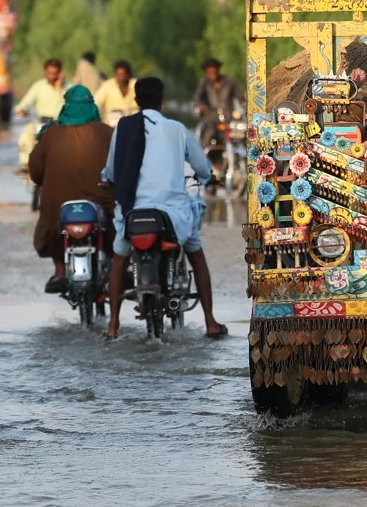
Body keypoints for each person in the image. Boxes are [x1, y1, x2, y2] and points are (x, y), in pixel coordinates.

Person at [101, 77, 226, 340]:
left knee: (119, 260)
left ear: (135, 101)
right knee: (196, 253)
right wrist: (208, 177)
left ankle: (112, 326)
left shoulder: (122, 128)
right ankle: (211, 322)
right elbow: (202, 168)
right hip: (172, 216)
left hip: (132, 215)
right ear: (162, 100)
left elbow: (112, 170)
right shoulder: (176, 129)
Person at [28, 85, 116, 293]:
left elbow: (35, 172)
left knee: (51, 219)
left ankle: (60, 270)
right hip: (100, 204)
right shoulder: (107, 132)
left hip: (61, 207)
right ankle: (114, 268)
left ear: (66, 106)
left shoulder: (50, 134)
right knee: (115, 221)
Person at [193, 57, 246, 145]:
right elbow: (197, 98)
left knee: (242, 134)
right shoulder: (204, 83)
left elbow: (240, 98)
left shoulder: (229, 81)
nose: (212, 75)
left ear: (218, 70)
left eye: (214, 71)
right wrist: (200, 106)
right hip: (211, 119)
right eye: (209, 72)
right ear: (206, 72)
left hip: (229, 118)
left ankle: (244, 156)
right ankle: (202, 156)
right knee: (208, 133)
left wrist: (248, 110)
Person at [94, 60, 139, 127]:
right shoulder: (107, 85)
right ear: (115, 74)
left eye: (123, 75)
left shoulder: (136, 85)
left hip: (134, 124)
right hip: (112, 125)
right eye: (119, 75)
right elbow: (96, 102)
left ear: (128, 74)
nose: (121, 78)